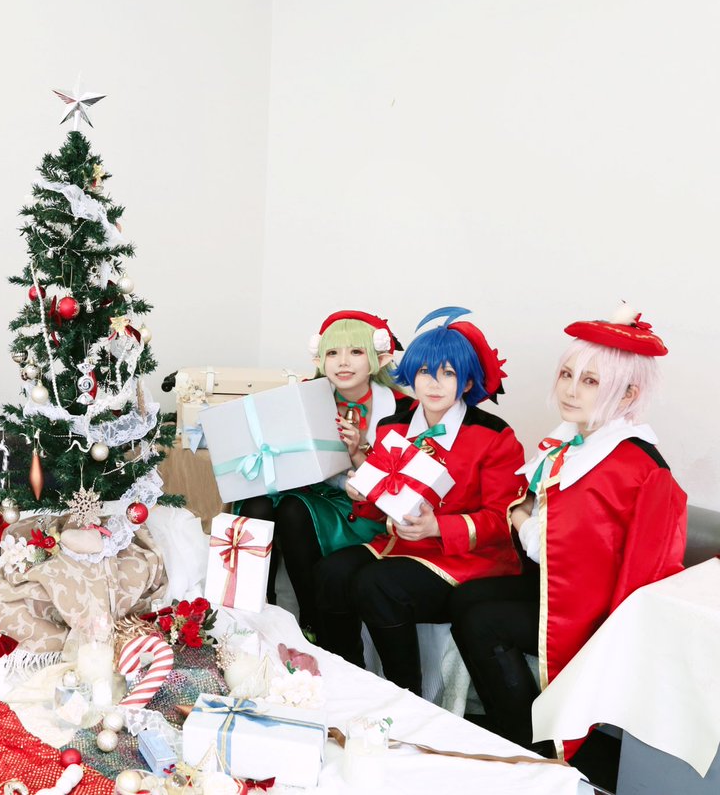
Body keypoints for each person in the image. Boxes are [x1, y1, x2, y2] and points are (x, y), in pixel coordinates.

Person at [448, 307, 686, 757]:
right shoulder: (575, 438)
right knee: (464, 598)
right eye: (567, 375)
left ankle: (529, 740)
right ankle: (501, 720)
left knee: (483, 622)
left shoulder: (630, 466)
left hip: (595, 607)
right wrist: (524, 514)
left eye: (590, 381)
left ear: (628, 393)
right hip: (560, 583)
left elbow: (547, 543)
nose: (571, 390)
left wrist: (519, 516)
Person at [314, 306, 525, 695]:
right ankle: (346, 680)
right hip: (398, 545)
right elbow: (380, 501)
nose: (434, 383)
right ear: (412, 374)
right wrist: (362, 493)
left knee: (376, 583)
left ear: (467, 381)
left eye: (449, 373)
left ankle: (404, 694)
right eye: (426, 371)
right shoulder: (393, 425)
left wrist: (437, 527)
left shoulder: (494, 436)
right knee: (331, 573)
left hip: (464, 559)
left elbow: (502, 519)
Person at [237, 311, 412, 639]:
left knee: (293, 509)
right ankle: (249, 615)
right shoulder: (305, 396)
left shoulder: (403, 409)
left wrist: (359, 451)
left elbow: (399, 482)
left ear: (378, 358)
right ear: (320, 359)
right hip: (305, 488)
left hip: (359, 504)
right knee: (256, 505)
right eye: (333, 352)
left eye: (356, 351)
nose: (343, 362)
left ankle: (311, 623)